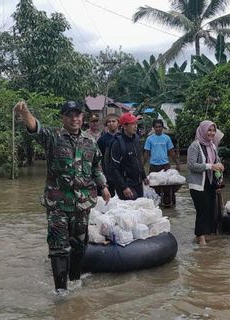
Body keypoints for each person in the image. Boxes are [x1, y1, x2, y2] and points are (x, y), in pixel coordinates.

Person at [14, 100, 111, 293]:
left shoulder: (90, 141)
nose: (74, 119)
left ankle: (74, 282)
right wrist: (25, 112)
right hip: (58, 203)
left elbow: (96, 166)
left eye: (77, 115)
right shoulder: (53, 137)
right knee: (58, 247)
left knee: (78, 245)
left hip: (82, 204)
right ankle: (60, 291)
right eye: (69, 115)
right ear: (63, 118)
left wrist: (104, 186)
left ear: (82, 118)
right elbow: (36, 128)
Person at [187, 120, 225, 245]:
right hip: (197, 185)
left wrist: (220, 166)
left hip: (209, 183)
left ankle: (205, 234)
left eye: (214, 130)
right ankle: (200, 237)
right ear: (203, 131)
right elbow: (191, 165)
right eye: (209, 130)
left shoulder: (212, 146)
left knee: (209, 209)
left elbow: (216, 160)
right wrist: (210, 166)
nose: (212, 133)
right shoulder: (195, 146)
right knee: (202, 210)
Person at [109, 112, 149, 200]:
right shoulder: (118, 143)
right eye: (132, 124)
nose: (135, 126)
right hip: (126, 185)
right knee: (130, 211)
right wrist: (124, 187)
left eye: (136, 123)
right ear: (124, 126)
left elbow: (138, 160)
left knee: (140, 207)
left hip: (138, 183)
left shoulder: (136, 139)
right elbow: (114, 168)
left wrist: (144, 176)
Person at [97, 114, 120, 197]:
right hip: (107, 172)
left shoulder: (122, 137)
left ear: (118, 123)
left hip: (121, 172)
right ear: (106, 124)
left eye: (113, 121)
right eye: (109, 122)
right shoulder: (102, 140)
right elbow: (98, 157)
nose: (111, 123)